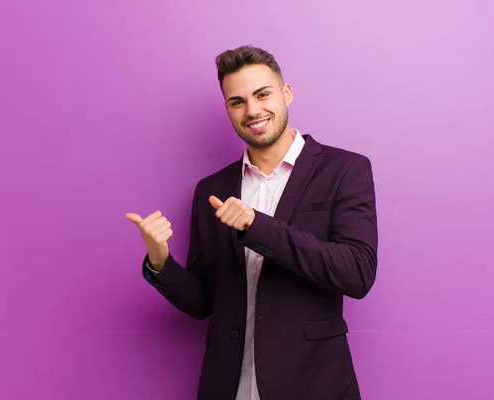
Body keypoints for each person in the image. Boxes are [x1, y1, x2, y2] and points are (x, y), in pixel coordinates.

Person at [126, 45, 378, 400]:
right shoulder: (211, 190)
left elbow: (357, 272)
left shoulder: (345, 170)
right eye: (237, 101)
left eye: (263, 94)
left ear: (286, 93)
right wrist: (160, 262)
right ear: (228, 110)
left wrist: (256, 227)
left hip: (313, 384)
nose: (253, 110)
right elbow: (202, 303)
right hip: (229, 385)